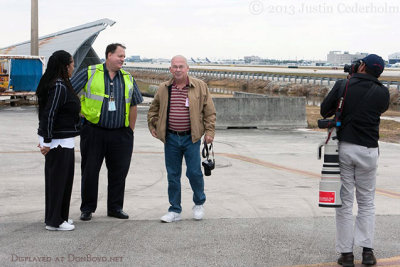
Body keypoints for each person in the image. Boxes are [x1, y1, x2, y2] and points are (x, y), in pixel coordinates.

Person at [320, 54, 390, 267]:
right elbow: (379, 109)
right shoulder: (383, 92)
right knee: (367, 201)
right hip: (369, 150)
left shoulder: (344, 84)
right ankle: (367, 253)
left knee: (345, 203)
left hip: (346, 148)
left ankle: (347, 254)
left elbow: (325, 109)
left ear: (361, 67)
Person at [71, 43, 143, 221]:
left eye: (124, 56)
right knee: (90, 171)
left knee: (119, 172)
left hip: (120, 134)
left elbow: (134, 104)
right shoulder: (91, 72)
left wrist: (130, 131)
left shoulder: (127, 77)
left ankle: (115, 208)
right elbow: (69, 92)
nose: (122, 59)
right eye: (120, 55)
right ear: (108, 55)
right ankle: (87, 208)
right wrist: (80, 115)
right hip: (93, 132)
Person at [147, 55, 216, 223]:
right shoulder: (164, 88)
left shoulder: (199, 86)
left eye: (181, 66)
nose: (178, 69)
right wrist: (153, 125)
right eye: (175, 66)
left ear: (187, 68)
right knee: (173, 175)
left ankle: (199, 203)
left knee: (194, 172)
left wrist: (209, 132)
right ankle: (175, 210)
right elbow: (153, 108)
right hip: (171, 138)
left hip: (191, 138)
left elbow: (209, 111)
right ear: (170, 69)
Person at [37, 50, 80, 231]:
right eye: (72, 63)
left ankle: (59, 217)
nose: (73, 67)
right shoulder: (59, 86)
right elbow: (49, 114)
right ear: (65, 66)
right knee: (58, 182)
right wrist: (46, 141)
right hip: (57, 143)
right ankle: (54, 221)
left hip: (64, 141)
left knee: (64, 181)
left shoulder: (61, 84)